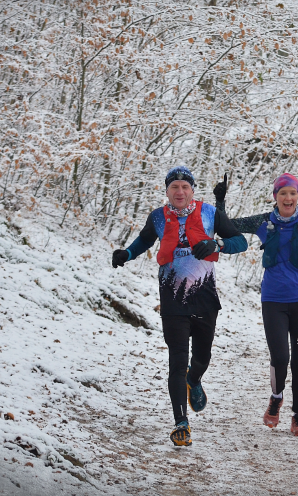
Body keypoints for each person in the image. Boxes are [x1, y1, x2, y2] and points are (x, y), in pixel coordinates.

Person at [111, 166, 247, 447]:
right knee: (176, 359)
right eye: (174, 187)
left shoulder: (210, 213)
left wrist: (216, 244)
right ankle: (180, 423)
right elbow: (144, 241)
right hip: (172, 298)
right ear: (167, 191)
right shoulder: (158, 217)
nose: (180, 192)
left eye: (185, 187)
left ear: (192, 190)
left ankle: (194, 379)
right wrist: (126, 253)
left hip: (205, 298)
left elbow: (240, 241)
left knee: (201, 358)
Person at [214, 172, 298, 436]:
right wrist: (219, 199)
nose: (288, 198)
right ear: (275, 197)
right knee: (280, 357)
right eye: (283, 193)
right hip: (273, 300)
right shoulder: (262, 221)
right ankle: (276, 398)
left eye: (292, 193)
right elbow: (225, 226)